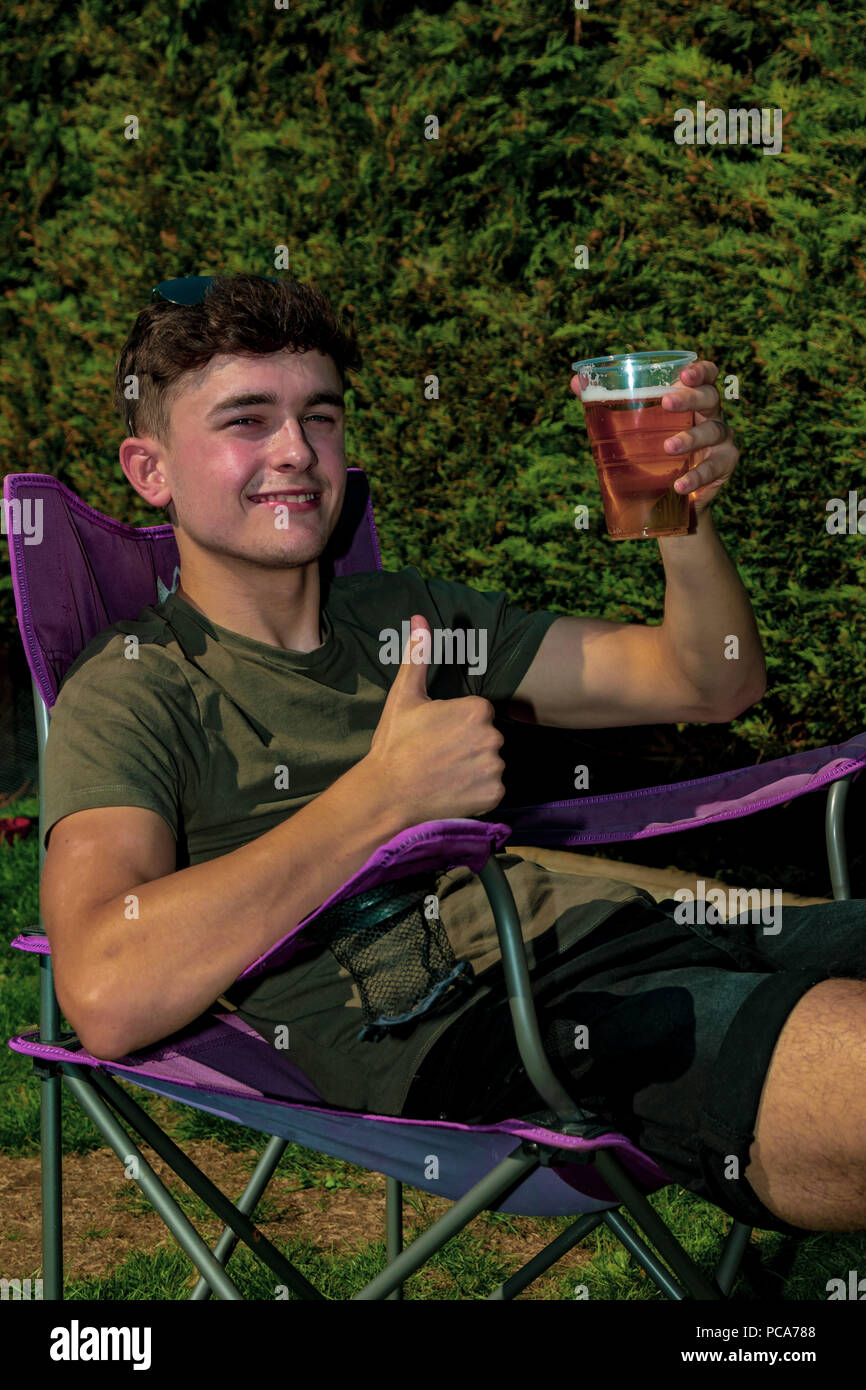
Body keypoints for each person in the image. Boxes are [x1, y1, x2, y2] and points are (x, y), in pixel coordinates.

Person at [39, 273, 866, 1242]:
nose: (296, 452)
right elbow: (102, 983)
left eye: (319, 415)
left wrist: (679, 514)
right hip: (494, 1021)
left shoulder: (403, 614)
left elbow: (710, 681)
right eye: (246, 420)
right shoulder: (134, 686)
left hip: (641, 929)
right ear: (151, 470)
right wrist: (382, 800)